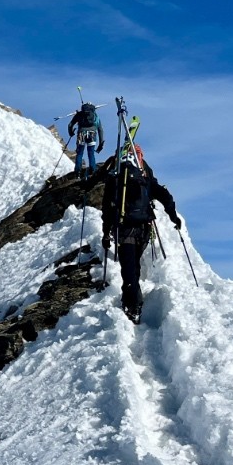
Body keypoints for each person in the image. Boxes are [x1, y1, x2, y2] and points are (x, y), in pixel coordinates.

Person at [100, 149, 182, 324]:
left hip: (125, 230)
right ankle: (133, 300)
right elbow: (165, 196)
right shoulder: (145, 179)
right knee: (133, 265)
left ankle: (132, 307)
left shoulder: (115, 180)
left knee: (128, 269)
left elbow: (107, 209)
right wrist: (173, 216)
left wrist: (106, 233)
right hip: (144, 230)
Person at [68, 101, 104, 178]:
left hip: (81, 134)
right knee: (91, 153)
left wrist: (71, 133)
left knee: (80, 153)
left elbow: (70, 125)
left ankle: (77, 172)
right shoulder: (95, 115)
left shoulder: (79, 115)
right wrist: (101, 143)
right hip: (92, 134)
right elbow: (100, 129)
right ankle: (92, 171)